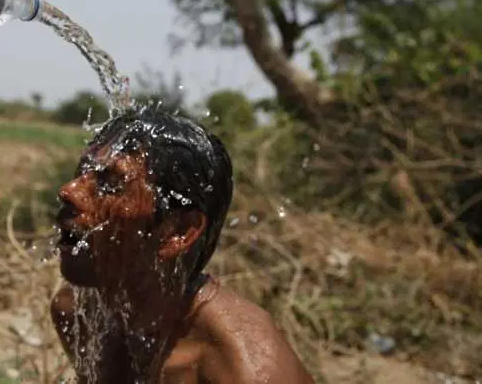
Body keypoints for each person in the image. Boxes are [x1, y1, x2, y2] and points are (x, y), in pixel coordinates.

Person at [50, 107, 313, 384]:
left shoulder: (245, 368)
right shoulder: (78, 314)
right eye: (83, 173)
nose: (69, 190)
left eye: (111, 184)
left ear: (178, 231)